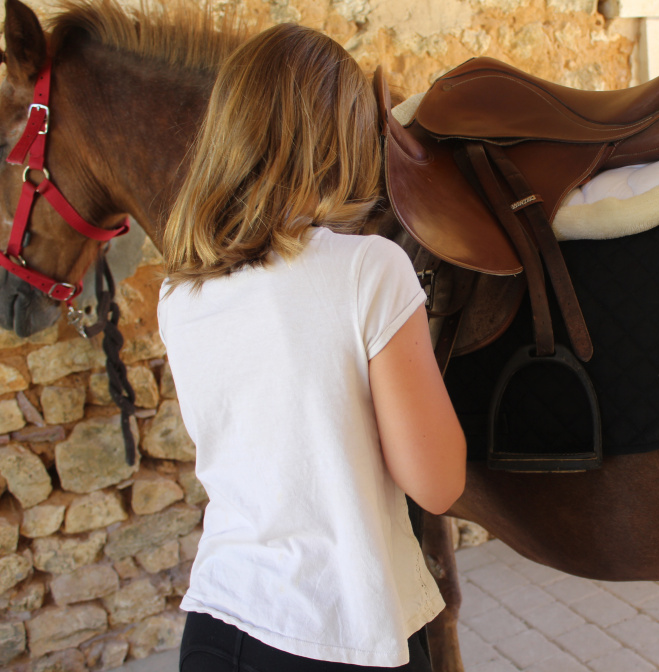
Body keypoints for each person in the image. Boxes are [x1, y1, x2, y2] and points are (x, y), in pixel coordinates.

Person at [157, 23, 466, 671]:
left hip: (216, 621)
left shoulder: (179, 289)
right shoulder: (369, 270)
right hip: (336, 631)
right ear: (341, 138)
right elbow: (438, 485)